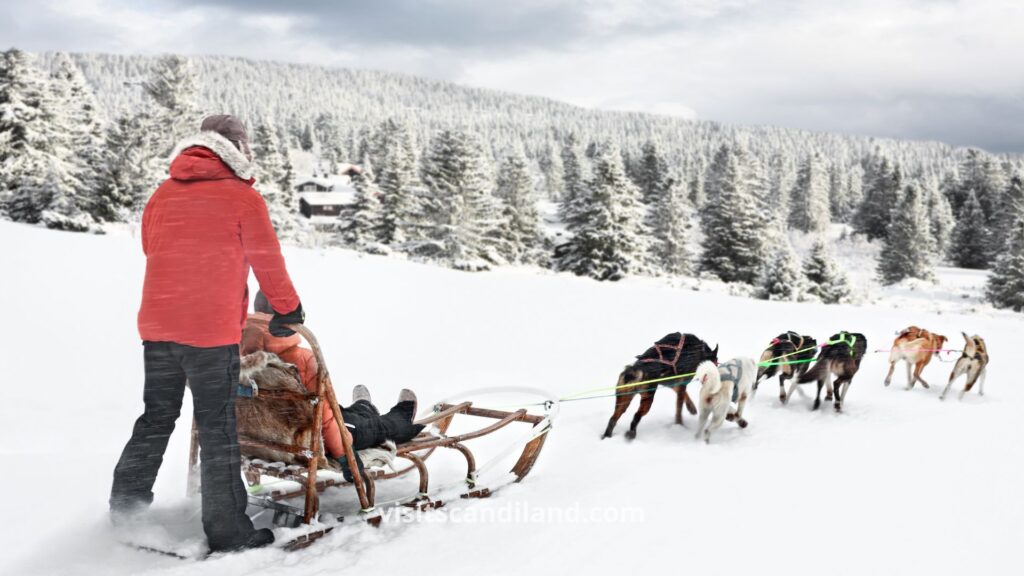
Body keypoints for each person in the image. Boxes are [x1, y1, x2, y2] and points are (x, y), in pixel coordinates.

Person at [110, 115, 304, 552]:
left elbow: (151, 247)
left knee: (156, 418)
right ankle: (228, 531)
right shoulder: (242, 198)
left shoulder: (163, 193)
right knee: (217, 426)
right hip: (211, 334)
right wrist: (288, 309)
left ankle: (125, 509)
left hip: (158, 328)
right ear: (235, 147)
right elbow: (267, 261)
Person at [242, 292, 424, 479]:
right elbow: (325, 414)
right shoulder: (301, 358)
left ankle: (364, 407)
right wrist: (345, 456)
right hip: (309, 441)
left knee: (346, 416)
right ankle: (402, 415)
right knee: (373, 427)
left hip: (268, 439)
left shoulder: (240, 357)